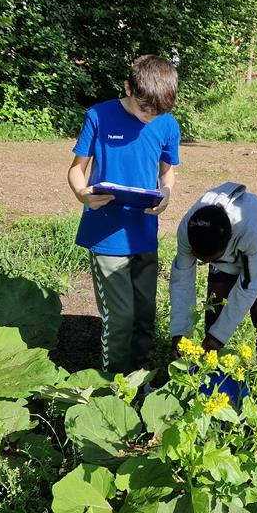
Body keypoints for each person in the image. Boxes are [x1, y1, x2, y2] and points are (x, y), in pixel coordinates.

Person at [68, 55, 180, 374]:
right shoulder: (99, 116)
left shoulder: (167, 123)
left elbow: (167, 172)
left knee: (145, 315)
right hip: (107, 235)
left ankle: (139, 377)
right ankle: (113, 384)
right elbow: (77, 170)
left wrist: (167, 194)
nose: (150, 117)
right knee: (119, 321)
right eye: (145, 109)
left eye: (157, 112)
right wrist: (82, 194)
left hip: (144, 233)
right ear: (128, 87)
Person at [169, 182, 257, 366]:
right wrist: (179, 334)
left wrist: (218, 337)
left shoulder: (250, 231)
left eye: (211, 259)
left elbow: (249, 286)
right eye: (200, 259)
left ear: (228, 245)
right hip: (224, 244)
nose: (206, 264)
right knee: (215, 305)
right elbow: (181, 280)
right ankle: (209, 370)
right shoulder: (187, 230)